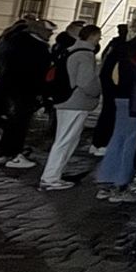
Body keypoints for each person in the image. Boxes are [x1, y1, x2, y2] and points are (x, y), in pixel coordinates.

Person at [95, 14, 136, 203]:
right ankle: (121, 185)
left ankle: (105, 180)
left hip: (120, 95)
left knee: (117, 138)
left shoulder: (125, 46)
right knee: (131, 141)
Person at [39, 25, 103, 190]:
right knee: (65, 140)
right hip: (76, 101)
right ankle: (51, 177)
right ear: (93, 36)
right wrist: (97, 91)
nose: (100, 40)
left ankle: (54, 175)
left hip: (65, 100)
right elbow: (86, 82)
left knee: (65, 139)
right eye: (99, 37)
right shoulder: (85, 54)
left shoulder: (71, 50)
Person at [0, 18, 54, 168]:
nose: (51, 34)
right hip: (23, 89)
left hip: (17, 87)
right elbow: (35, 71)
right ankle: (13, 154)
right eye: (49, 31)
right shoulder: (32, 46)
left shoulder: (17, 41)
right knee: (19, 122)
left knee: (16, 121)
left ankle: (7, 152)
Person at [90, 24, 129, 156]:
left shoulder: (113, 44)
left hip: (107, 81)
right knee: (111, 114)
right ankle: (103, 143)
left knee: (106, 112)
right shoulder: (123, 47)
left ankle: (96, 142)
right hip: (114, 84)